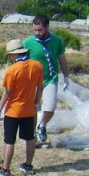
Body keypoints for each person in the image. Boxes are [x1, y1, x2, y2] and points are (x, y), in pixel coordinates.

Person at [0, 39, 43, 176]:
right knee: (30, 138)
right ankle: (28, 165)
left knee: (9, 141)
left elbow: (7, 93)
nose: (9, 57)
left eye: (10, 55)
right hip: (29, 110)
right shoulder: (37, 65)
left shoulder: (13, 70)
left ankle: (5, 170)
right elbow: (39, 87)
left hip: (13, 111)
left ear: (14, 54)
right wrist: (36, 103)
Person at [23, 15, 70, 143]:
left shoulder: (57, 41)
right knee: (33, 109)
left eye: (40, 30)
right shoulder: (28, 43)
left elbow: (61, 59)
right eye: (35, 30)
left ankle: (42, 125)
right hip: (33, 80)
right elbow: (21, 62)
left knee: (50, 106)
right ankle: (32, 137)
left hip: (51, 78)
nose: (37, 33)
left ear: (47, 27)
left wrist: (66, 76)